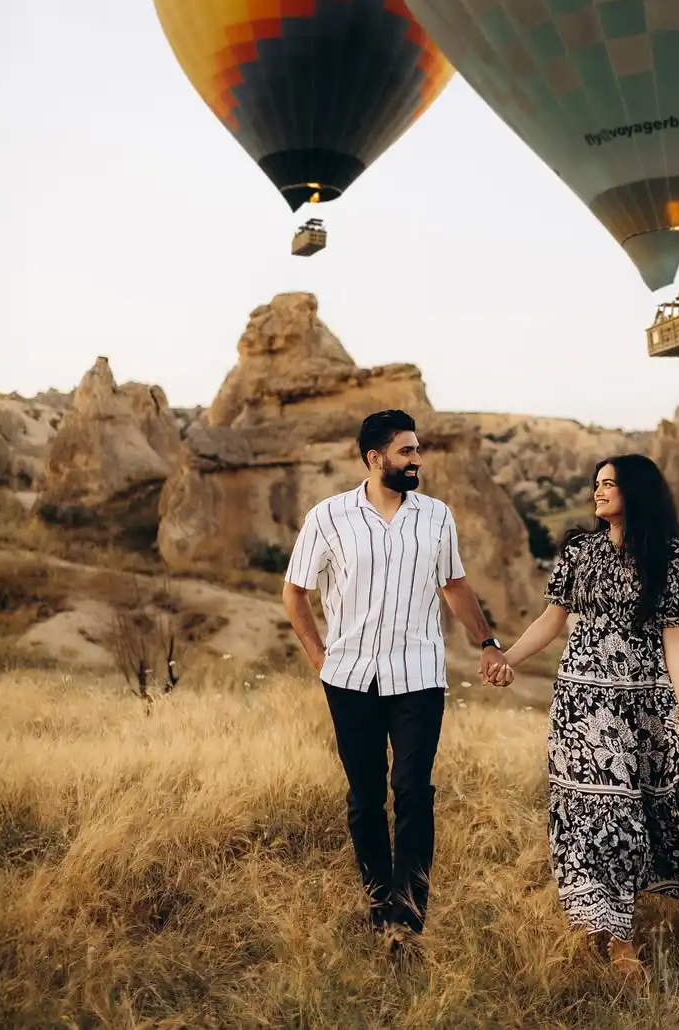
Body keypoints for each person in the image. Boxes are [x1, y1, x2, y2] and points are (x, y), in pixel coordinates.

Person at [488, 455, 679, 981]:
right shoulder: (579, 550)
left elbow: (676, 637)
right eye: (595, 483)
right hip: (583, 707)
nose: (598, 492)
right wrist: (508, 659)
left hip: (645, 704)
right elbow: (552, 620)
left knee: (659, 812)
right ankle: (618, 938)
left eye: (609, 484)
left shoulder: (675, 554)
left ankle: (660, 897)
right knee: (604, 817)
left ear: (636, 491)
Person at [282, 409, 509, 958]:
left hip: (418, 677)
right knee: (365, 797)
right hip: (350, 677)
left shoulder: (437, 517)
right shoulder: (328, 518)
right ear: (374, 458)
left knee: (412, 791)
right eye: (406, 451)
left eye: (417, 450)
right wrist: (320, 658)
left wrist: (486, 642)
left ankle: (407, 917)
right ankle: (377, 901)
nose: (416, 460)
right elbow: (295, 593)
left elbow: (454, 585)